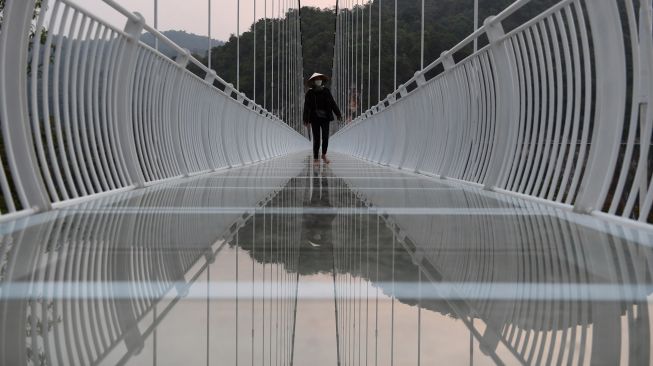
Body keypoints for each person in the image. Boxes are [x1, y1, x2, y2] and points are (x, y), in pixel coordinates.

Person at [303, 73, 342, 165]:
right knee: (316, 138)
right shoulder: (309, 93)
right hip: (314, 118)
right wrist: (305, 119)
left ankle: (324, 155)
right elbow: (306, 107)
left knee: (325, 137)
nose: (318, 81)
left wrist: (338, 114)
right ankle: (316, 158)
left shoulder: (326, 91)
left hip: (325, 118)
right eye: (317, 79)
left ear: (322, 81)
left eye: (320, 79)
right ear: (313, 82)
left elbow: (332, 103)